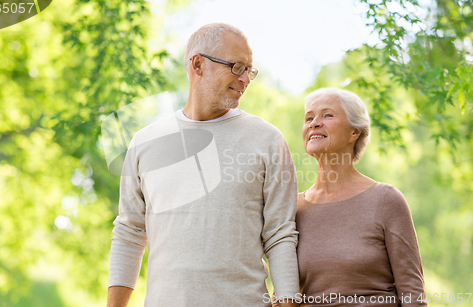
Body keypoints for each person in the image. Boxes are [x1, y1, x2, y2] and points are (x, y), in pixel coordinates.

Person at [107, 23, 300, 307]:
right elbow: (129, 233)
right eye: (237, 67)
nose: (246, 79)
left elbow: (280, 235)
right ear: (198, 64)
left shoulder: (267, 140)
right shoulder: (145, 142)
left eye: (250, 70)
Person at [287, 88, 427, 306]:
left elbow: (413, 293)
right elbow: (282, 292)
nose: (314, 123)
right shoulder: (292, 208)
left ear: (355, 132)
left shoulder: (386, 200)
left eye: (327, 115)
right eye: (309, 118)